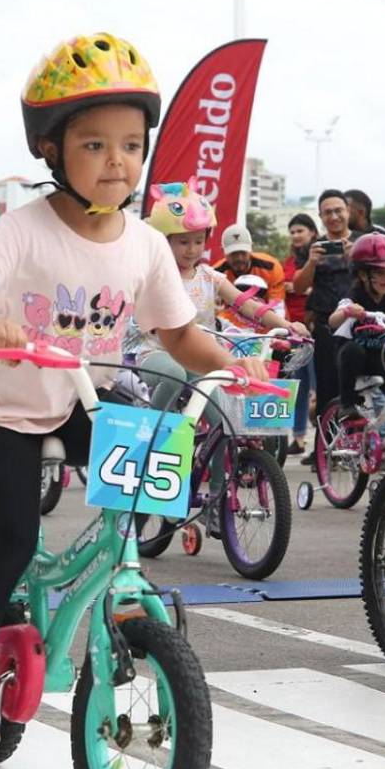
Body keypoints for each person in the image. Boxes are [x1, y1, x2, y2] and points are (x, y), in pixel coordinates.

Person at [0, 33, 275, 748]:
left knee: (149, 477)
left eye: (131, 144)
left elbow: (179, 334)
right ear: (51, 150)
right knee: (12, 540)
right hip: (3, 409)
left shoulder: (145, 243)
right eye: (94, 145)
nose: (116, 160)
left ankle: (117, 589)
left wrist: (232, 365)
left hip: (83, 397)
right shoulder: (21, 231)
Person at [133, 177, 305, 534]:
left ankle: (215, 501)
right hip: (156, 354)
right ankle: (151, 438)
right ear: (163, 241)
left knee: (225, 424)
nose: (192, 249)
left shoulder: (209, 276)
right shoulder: (152, 276)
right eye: (183, 241)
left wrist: (286, 324)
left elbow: (247, 305)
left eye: (198, 241)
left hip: (200, 360)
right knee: (175, 377)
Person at [294, 189, 363, 435]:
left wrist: (356, 257)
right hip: (325, 328)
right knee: (325, 388)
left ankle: (361, 442)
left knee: (359, 387)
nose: (334, 217)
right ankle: (325, 445)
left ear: (348, 211)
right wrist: (312, 262)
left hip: (360, 325)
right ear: (320, 216)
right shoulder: (312, 248)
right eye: (327, 212)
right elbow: (299, 287)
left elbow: (380, 278)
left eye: (338, 211)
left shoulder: (363, 241)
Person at [329, 234, 385, 421]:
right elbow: (333, 321)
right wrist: (348, 312)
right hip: (352, 359)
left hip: (379, 357)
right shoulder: (356, 294)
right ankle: (346, 405)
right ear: (363, 274)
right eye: (379, 273)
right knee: (353, 350)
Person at [280, 213, 319, 455]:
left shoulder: (321, 257)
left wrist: (299, 288)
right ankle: (299, 438)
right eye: (292, 232)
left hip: (316, 327)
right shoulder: (288, 262)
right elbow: (283, 286)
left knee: (317, 386)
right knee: (299, 384)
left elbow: (321, 288)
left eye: (300, 231)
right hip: (294, 330)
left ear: (312, 232)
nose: (296, 236)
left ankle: (323, 442)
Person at [212, 224, 286, 309]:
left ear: (251, 248)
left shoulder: (271, 267)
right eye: (233, 253)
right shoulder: (215, 274)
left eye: (243, 252)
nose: (239, 258)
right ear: (223, 251)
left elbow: (277, 307)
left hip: (268, 314)